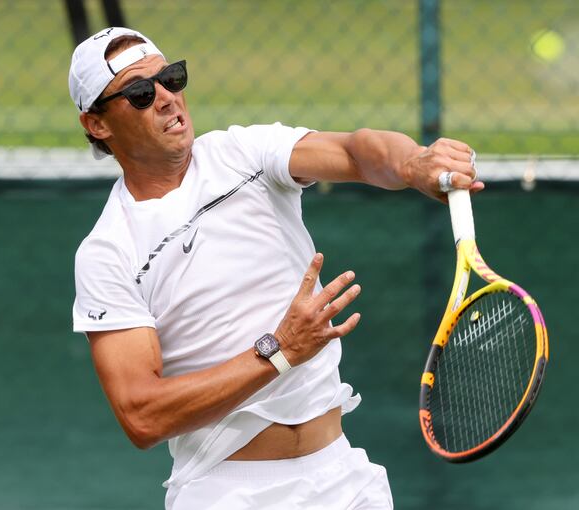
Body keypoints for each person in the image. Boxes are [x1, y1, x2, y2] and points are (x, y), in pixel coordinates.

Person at [69, 27, 482, 510]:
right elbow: (142, 416)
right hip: (227, 493)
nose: (166, 98)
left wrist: (413, 162)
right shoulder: (107, 253)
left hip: (342, 479)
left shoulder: (243, 153)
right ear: (97, 124)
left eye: (171, 78)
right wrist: (280, 350)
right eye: (141, 93)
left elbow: (355, 151)